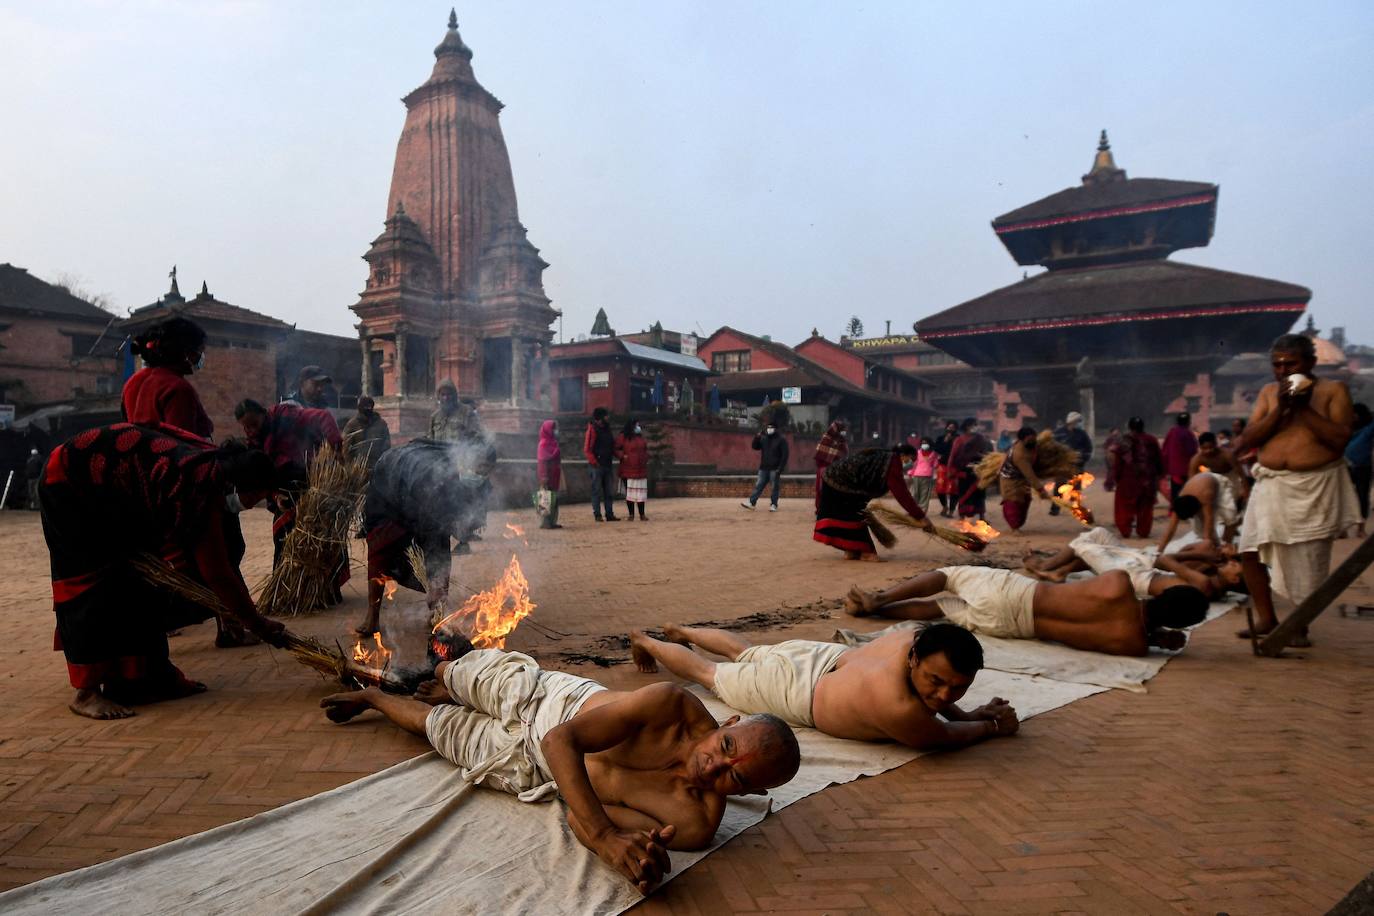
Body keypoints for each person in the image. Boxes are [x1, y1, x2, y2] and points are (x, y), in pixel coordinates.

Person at [320, 647, 801, 893]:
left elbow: (579, 816)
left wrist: (625, 851)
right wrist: (607, 835)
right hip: (544, 698)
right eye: (727, 744)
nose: (714, 763)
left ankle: (373, 697)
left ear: (750, 792)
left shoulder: (694, 822)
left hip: (530, 766)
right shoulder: (671, 704)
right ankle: (449, 681)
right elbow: (561, 738)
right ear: (729, 722)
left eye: (733, 777)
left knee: (436, 728)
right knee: (453, 670)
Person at [39, 423, 284, 720]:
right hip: (71, 485)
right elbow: (217, 573)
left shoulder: (209, 473)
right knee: (90, 585)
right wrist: (256, 623)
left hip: (118, 497)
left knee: (140, 584)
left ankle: (147, 677)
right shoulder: (196, 486)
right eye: (254, 497)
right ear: (236, 485)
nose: (251, 505)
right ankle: (86, 693)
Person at [629, 622, 1018, 751]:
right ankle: (645, 641)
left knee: (745, 650)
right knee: (706, 673)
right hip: (796, 688)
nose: (944, 696)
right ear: (915, 658)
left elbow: (940, 701)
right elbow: (942, 738)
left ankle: (680, 630)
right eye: (935, 681)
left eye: (959, 688)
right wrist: (992, 726)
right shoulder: (898, 708)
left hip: (821, 657)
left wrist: (968, 711)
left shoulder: (918, 636)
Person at [1235, 334, 1359, 641]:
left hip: (1313, 487)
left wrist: (1303, 408)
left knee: (1307, 560)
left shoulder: (1334, 391)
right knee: (1249, 552)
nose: (1282, 370)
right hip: (1270, 484)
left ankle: (1298, 624)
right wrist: (1281, 408)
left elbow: (1340, 440)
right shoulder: (1268, 393)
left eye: (1290, 363)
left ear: (1311, 363)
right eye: (1277, 364)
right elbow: (1249, 439)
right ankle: (1267, 619)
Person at [845, 565, 1210, 656]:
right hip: (1011, 626)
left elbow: (1142, 593)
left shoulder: (1118, 584)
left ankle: (879, 599)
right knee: (939, 608)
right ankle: (877, 613)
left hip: (1020, 594)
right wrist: (1160, 637)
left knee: (949, 578)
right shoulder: (1134, 644)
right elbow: (1137, 628)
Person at [354, 438, 491, 636]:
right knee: (380, 552)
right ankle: (372, 616)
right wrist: (432, 583)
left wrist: (436, 586)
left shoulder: (455, 473)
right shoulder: (434, 484)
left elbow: (441, 538)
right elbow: (431, 534)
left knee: (440, 545)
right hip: (389, 489)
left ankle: (437, 613)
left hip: (417, 492)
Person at [234, 398, 347, 605]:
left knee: (320, 540)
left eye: (254, 424)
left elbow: (323, 417)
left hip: (309, 486)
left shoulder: (288, 417)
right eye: (246, 427)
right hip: (283, 495)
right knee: (283, 542)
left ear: (263, 414)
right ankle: (288, 594)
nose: (250, 430)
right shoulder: (255, 444)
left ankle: (326, 591)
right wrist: (275, 496)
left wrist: (336, 446)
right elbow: (263, 475)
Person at [1024, 526, 1244, 601]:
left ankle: (1046, 566)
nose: (1230, 563)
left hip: (1134, 579)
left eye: (1234, 567)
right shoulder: (1208, 579)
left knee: (1084, 545)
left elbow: (1166, 560)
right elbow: (1162, 561)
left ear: (1233, 579)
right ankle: (1058, 571)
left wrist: (1205, 558)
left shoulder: (1204, 583)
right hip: (1144, 567)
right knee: (1099, 534)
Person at [814, 444, 932, 560]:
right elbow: (902, 494)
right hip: (840, 482)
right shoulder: (893, 463)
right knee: (855, 515)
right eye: (910, 459)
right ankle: (866, 552)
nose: (910, 463)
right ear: (903, 455)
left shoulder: (886, 457)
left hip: (834, 478)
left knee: (850, 514)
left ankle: (851, 551)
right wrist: (920, 516)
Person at [121, 315, 213, 439]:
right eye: (200, 351)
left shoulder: (132, 382)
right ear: (186, 352)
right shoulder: (178, 388)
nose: (201, 356)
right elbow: (183, 444)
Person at [1154, 469, 1241, 552]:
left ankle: (1227, 542)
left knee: (1230, 517)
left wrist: (1207, 545)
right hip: (1202, 484)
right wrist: (1159, 551)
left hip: (1218, 483)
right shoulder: (1180, 502)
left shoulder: (1206, 497)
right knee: (1200, 531)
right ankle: (1217, 546)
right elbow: (1170, 530)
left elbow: (1209, 523)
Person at [1107, 417, 1162, 539]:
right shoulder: (1151, 440)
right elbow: (1158, 460)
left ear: (1130, 427)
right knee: (1145, 507)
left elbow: (1118, 462)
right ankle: (1143, 531)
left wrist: (1116, 477)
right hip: (1147, 480)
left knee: (1124, 506)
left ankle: (1125, 531)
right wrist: (1158, 475)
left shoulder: (1124, 441)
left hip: (1128, 480)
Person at [999, 426, 1050, 533]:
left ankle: (1019, 523)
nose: (1032, 441)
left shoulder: (1033, 445)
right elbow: (1029, 475)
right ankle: (1014, 527)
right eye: (1029, 439)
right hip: (1010, 479)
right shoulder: (1020, 455)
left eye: (1033, 438)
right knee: (1013, 501)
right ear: (1023, 439)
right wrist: (1040, 489)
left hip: (1022, 478)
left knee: (1025, 500)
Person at [1049, 412, 1093, 516]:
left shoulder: (1082, 434)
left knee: (1076, 487)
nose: (1079, 423)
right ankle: (1055, 508)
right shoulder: (1058, 433)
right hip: (1062, 465)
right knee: (1059, 486)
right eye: (1077, 421)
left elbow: (1088, 448)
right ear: (1072, 421)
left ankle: (1075, 507)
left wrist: (1082, 458)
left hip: (1077, 465)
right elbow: (1051, 448)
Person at [947, 418, 992, 520]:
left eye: (976, 425)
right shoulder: (959, 440)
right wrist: (950, 470)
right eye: (974, 425)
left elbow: (986, 453)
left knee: (979, 493)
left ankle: (981, 516)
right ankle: (962, 516)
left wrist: (982, 457)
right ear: (967, 427)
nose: (976, 427)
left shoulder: (980, 439)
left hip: (978, 469)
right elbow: (953, 456)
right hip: (964, 470)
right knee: (963, 492)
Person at [741, 421, 788, 512]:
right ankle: (752, 502)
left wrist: (780, 468)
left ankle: (773, 504)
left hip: (775, 468)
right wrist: (757, 437)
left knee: (774, 487)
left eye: (771, 427)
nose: (769, 429)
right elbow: (755, 447)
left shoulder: (781, 440)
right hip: (763, 467)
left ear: (776, 429)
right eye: (768, 427)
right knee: (758, 485)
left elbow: (785, 455)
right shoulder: (764, 438)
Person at [584, 407, 618, 522]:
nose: (608, 418)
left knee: (609, 492)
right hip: (597, 466)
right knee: (596, 491)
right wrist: (594, 462)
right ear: (600, 418)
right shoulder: (592, 429)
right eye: (606, 416)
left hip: (607, 464)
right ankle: (597, 514)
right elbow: (587, 449)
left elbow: (612, 447)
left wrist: (620, 455)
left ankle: (609, 514)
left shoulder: (608, 429)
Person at [341, 396, 391, 472]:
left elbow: (386, 445)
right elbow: (345, 447)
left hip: (377, 466)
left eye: (369, 406)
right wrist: (350, 467)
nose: (367, 409)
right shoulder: (352, 424)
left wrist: (383, 462)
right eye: (365, 406)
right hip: (358, 468)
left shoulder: (381, 423)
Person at [1344, 403, 1372, 538]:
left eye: (1355, 414)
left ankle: (1361, 528)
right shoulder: (1345, 428)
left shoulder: (1368, 428)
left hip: (1362, 467)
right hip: (1345, 466)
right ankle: (1342, 530)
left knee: (1362, 497)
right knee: (1342, 497)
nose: (1352, 416)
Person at [615, 419, 650, 521]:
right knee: (630, 493)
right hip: (628, 469)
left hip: (640, 469)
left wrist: (646, 457)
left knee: (641, 493)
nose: (638, 427)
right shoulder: (623, 437)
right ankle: (631, 514)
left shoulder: (640, 438)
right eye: (636, 425)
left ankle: (642, 514)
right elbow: (616, 448)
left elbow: (645, 449)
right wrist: (623, 456)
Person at [1161, 412, 1199, 505]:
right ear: (1188, 422)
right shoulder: (1189, 434)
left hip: (1174, 469)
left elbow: (1165, 451)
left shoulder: (1172, 432)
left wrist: (1165, 467)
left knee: (1176, 491)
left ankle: (1175, 510)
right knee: (1187, 491)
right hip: (1187, 469)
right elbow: (1192, 451)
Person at [812, 420, 848, 509]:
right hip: (825, 469)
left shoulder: (841, 441)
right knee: (822, 490)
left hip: (834, 469)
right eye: (842, 430)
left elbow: (844, 454)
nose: (844, 432)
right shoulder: (827, 438)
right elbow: (819, 456)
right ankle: (820, 509)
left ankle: (828, 509)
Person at [536, 419, 564, 530]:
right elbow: (543, 461)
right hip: (547, 476)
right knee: (545, 499)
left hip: (555, 475)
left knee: (554, 499)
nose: (555, 431)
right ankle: (545, 522)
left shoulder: (554, 443)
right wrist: (543, 476)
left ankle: (552, 521)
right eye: (553, 428)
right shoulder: (543, 444)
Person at [933, 420, 960, 518]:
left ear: (956, 429)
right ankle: (944, 506)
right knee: (940, 489)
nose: (951, 429)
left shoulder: (959, 438)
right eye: (949, 427)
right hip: (943, 466)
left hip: (954, 466)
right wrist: (945, 441)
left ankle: (951, 510)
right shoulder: (941, 438)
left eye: (953, 427)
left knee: (954, 490)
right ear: (946, 428)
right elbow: (937, 449)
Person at [908, 437, 938, 512]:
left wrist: (934, 465)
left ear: (930, 444)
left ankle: (922, 511)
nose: (924, 445)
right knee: (914, 494)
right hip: (916, 475)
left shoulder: (934, 454)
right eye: (923, 443)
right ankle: (912, 510)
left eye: (926, 443)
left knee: (925, 495)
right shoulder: (917, 452)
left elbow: (935, 464)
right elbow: (914, 464)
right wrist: (910, 473)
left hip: (927, 476)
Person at [1102, 426, 1121, 492]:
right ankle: (1108, 485)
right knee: (1111, 471)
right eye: (1115, 431)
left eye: (1117, 431)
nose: (1116, 432)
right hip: (1110, 457)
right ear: (1111, 432)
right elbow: (1105, 447)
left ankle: (1112, 485)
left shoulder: (1119, 439)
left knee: (1115, 471)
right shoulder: (1109, 439)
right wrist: (1108, 452)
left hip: (1116, 457)